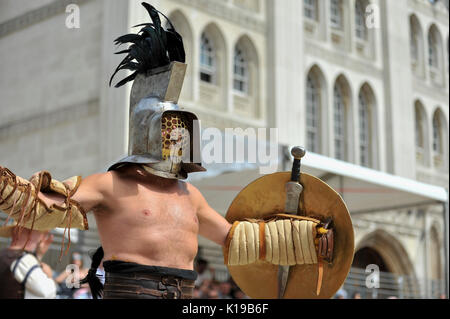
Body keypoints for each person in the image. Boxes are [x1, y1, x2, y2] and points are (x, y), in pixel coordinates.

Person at [0, 2, 350, 300]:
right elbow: (44, 205)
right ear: (150, 132)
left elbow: (237, 238)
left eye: (182, 131)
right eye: (171, 129)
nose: (178, 140)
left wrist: (306, 239)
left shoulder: (190, 195)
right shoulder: (109, 184)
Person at [0, 224, 57, 299]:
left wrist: (39, 255)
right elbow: (48, 293)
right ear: (30, 232)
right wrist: (49, 277)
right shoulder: (24, 260)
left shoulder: (3, 254)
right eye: (40, 231)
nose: (42, 236)